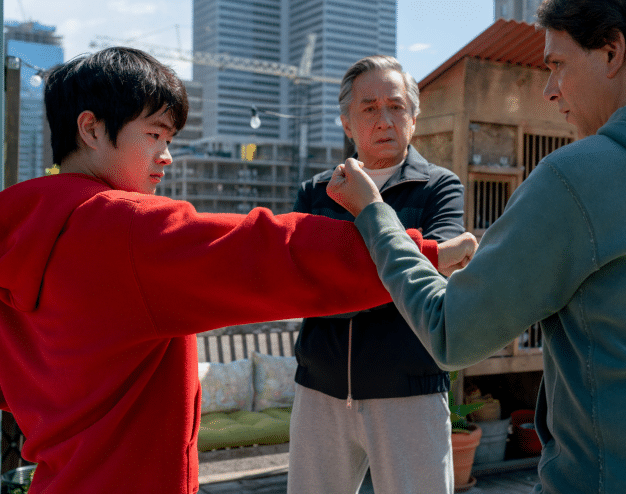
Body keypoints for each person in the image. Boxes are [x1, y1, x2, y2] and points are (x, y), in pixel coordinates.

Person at [0, 47, 476, 494]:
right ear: (91, 129)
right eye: (154, 135)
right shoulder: (126, 228)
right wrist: (424, 252)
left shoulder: (15, 231)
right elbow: (274, 253)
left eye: (169, 139)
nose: (166, 156)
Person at [326, 0, 626, 492]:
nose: (549, 90)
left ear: (612, 52)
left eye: (557, 64)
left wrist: (375, 215)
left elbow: (452, 331)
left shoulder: (579, 177)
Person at [286, 55, 465, 494]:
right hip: (320, 390)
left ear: (414, 119)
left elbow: (430, 280)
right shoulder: (316, 192)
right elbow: (303, 282)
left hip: (411, 389)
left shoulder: (440, 188)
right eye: (369, 108)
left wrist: (342, 273)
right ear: (347, 123)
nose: (384, 119)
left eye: (396, 106)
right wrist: (411, 262)